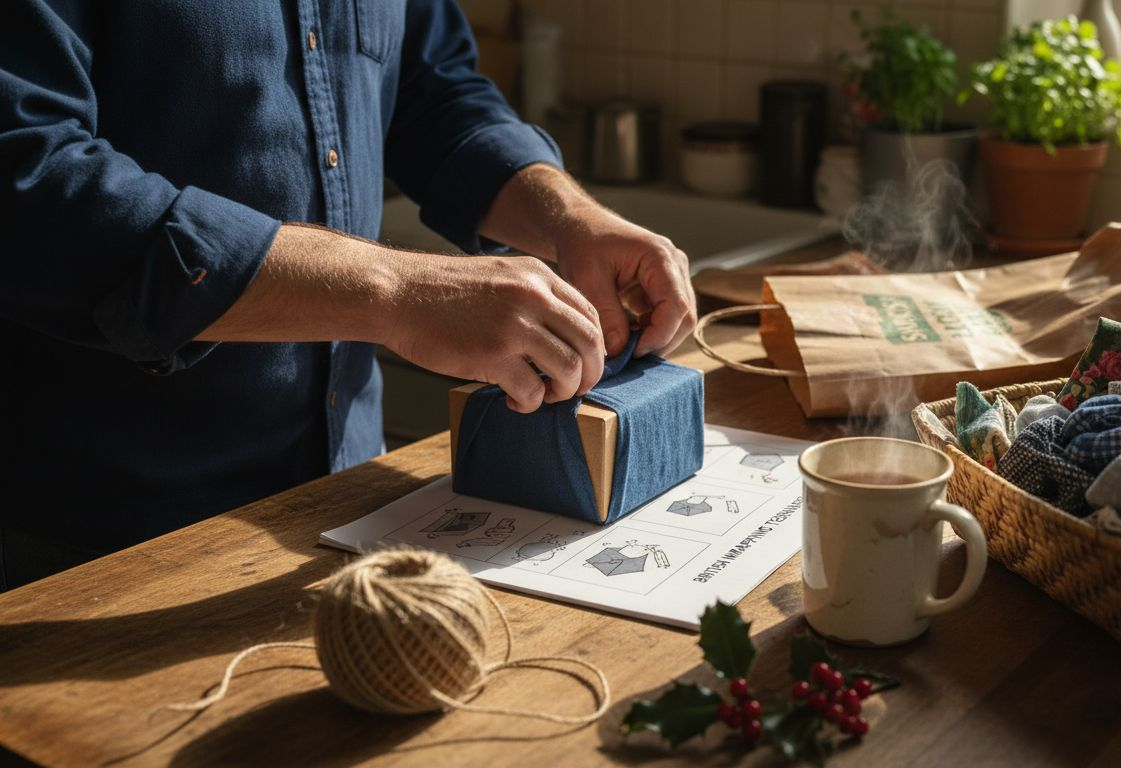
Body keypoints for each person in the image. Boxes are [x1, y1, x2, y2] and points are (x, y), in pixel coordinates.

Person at [0, 1, 695, 589]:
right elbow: (27, 179)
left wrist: (570, 220)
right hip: (96, 545)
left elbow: (434, 93)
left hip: (354, 505)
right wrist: (395, 289)